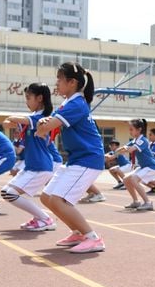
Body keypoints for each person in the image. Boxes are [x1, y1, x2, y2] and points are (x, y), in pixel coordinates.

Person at [35, 63, 106, 253]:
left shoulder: (76, 104)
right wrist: (44, 123)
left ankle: (93, 238)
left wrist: (43, 125)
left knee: (59, 200)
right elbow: (47, 123)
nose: (56, 84)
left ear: (72, 82)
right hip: (77, 159)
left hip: (88, 159)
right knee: (47, 197)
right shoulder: (69, 103)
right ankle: (77, 232)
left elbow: (46, 128)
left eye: (59, 79)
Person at [1, 83, 59, 231]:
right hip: (31, 166)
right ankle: (41, 218)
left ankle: (45, 219)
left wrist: (13, 118)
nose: (26, 101)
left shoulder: (43, 118)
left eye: (28, 98)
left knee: (9, 193)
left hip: (40, 167)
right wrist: (11, 121)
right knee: (6, 192)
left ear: (39, 98)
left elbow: (20, 120)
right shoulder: (32, 118)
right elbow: (8, 124)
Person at [115, 119, 155, 211]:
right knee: (126, 179)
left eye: (131, 129)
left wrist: (121, 150)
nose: (130, 131)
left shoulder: (143, 140)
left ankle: (148, 203)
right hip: (144, 166)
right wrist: (117, 151)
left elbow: (130, 149)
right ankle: (136, 201)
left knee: (133, 179)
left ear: (139, 130)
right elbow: (123, 148)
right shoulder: (135, 140)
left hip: (152, 166)